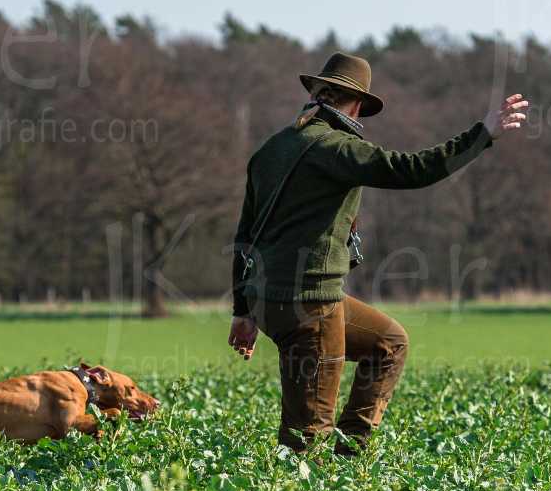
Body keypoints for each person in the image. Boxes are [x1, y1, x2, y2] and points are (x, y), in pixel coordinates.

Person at [227, 51, 529, 455]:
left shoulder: (272, 148)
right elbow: (415, 169)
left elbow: (245, 234)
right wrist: (483, 134)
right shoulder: (337, 148)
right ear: (354, 103)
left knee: (389, 342)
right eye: (363, 109)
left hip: (268, 301)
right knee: (307, 440)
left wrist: (243, 310)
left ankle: (350, 455)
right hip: (310, 306)